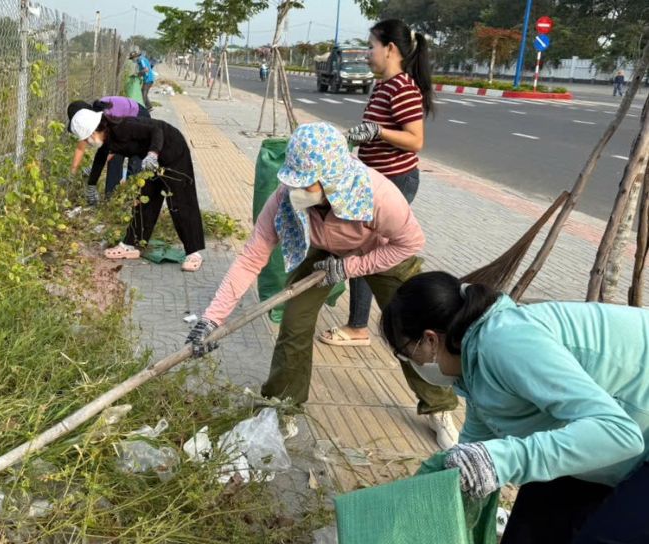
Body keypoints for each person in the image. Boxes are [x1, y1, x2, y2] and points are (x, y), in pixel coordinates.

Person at [185, 122, 459, 448]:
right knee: (294, 324)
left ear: (333, 179)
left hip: (384, 252)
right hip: (325, 251)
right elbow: (249, 260)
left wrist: (348, 268)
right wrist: (211, 319)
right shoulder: (286, 199)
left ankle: (438, 407)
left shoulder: (379, 196)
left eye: (306, 183)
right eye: (293, 182)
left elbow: (410, 242)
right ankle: (282, 407)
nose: (296, 191)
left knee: (411, 328)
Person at [380, 271, 649, 544]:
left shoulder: (505, 342)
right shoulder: (472, 362)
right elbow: (476, 446)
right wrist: (427, 505)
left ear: (430, 339)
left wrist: (500, 461)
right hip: (619, 424)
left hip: (626, 427)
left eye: (407, 354)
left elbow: (618, 434)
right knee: (532, 538)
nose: (410, 364)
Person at [318, 18, 434, 351]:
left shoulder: (402, 87)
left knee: (369, 251)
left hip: (396, 182)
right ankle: (363, 323)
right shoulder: (384, 86)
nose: (368, 53)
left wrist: (377, 132)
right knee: (362, 248)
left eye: (371, 46)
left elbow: (415, 140)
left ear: (391, 49)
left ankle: (362, 326)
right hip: (376, 180)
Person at [69, 108, 205, 271]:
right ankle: (131, 245)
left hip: (172, 149)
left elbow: (157, 130)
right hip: (151, 158)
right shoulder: (108, 139)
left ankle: (193, 252)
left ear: (96, 129)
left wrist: (153, 154)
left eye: (88, 138)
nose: (88, 143)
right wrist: (91, 185)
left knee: (180, 201)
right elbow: (100, 159)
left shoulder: (123, 127)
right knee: (146, 198)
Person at [66, 97, 150, 204]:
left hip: (138, 115)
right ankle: (111, 198)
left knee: (134, 161)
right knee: (114, 160)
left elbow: (109, 150)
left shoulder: (106, 117)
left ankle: (131, 199)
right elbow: (81, 147)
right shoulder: (93, 123)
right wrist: (72, 174)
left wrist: (92, 170)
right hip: (122, 124)